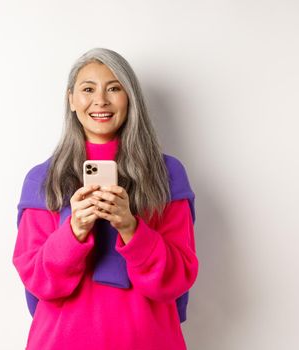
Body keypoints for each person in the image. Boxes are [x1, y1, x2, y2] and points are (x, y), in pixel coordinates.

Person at [12, 47, 199, 350]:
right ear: (71, 99)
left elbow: (178, 278)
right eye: (88, 89)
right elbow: (36, 281)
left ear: (130, 99)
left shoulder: (168, 173)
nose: (100, 100)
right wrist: (74, 231)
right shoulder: (42, 179)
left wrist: (130, 228)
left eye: (114, 88)